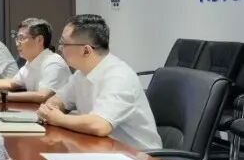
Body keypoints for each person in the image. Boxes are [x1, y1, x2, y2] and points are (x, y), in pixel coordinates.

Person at [36, 14, 162, 150]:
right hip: (103, 149)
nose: (60, 48)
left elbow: (100, 125)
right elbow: (57, 101)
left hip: (139, 157)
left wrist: (58, 118)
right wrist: (50, 110)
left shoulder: (118, 76)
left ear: (86, 50)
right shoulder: (81, 73)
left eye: (64, 44)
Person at [0, 18, 70, 103]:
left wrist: (0, 95)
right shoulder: (31, 61)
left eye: (21, 38)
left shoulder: (53, 63)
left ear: (39, 40)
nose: (17, 43)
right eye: (17, 38)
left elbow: (42, 96)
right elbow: (12, 83)